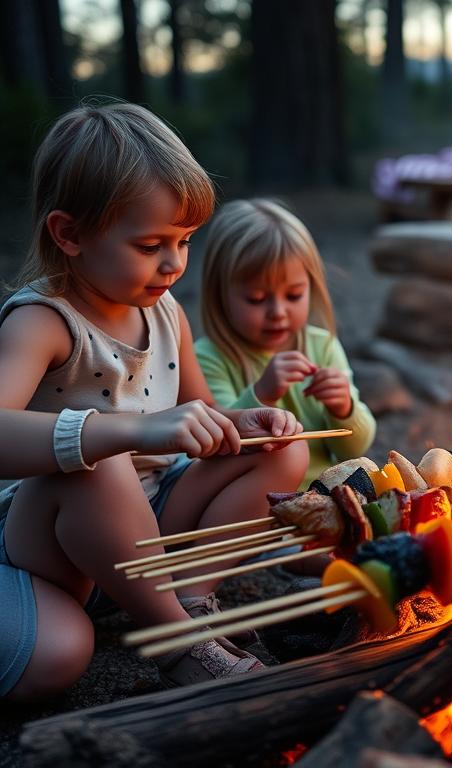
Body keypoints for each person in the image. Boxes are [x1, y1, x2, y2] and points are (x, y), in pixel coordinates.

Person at [0, 102, 311, 700]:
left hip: (149, 522)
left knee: (282, 449)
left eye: (185, 240)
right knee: (57, 654)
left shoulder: (163, 312)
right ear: (69, 234)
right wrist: (125, 432)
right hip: (44, 540)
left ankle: (187, 608)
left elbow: (204, 418)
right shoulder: (43, 323)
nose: (174, 263)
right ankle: (175, 641)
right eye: (150, 244)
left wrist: (243, 422)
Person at [196, 198, 376, 490]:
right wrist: (261, 395)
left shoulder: (322, 346)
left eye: (293, 296)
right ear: (220, 295)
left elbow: (354, 449)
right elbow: (217, 448)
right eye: (256, 299)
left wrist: (344, 408)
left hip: (327, 495)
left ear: (311, 286)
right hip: (257, 501)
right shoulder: (208, 357)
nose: (278, 312)